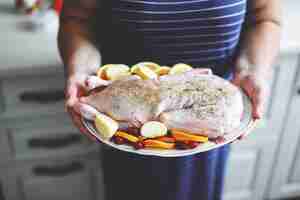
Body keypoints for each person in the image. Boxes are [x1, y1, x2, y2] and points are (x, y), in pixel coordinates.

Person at [58, 0, 281, 199]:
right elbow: (77, 18)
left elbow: (265, 16)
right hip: (122, 111)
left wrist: (254, 70)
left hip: (216, 107)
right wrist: (82, 72)